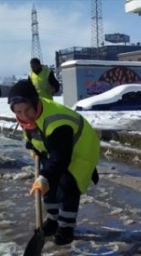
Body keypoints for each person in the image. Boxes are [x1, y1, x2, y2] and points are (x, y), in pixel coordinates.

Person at [7, 80, 100, 246]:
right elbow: (33, 133)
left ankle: (66, 228)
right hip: (53, 149)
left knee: (68, 186)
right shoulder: (28, 117)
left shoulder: (57, 122)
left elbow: (61, 158)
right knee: (48, 188)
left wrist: (46, 176)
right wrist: (33, 147)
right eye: (19, 112)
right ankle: (53, 220)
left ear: (35, 102)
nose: (25, 116)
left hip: (80, 150)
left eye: (27, 109)